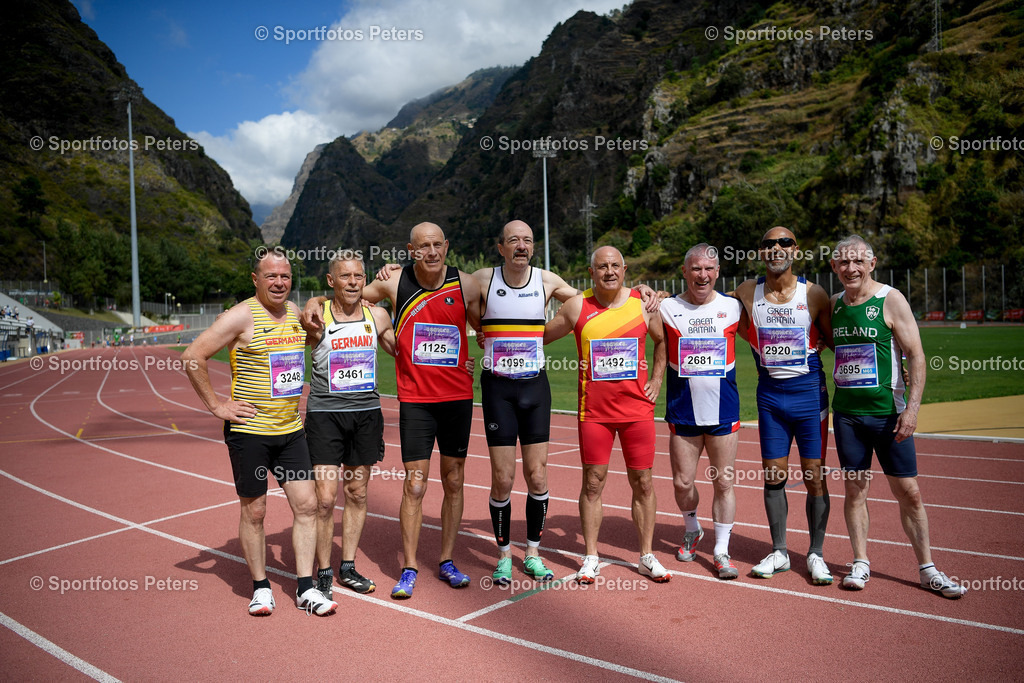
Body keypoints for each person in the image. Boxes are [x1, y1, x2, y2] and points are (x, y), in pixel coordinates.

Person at [303, 222, 482, 599]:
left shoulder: (467, 283)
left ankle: (447, 560)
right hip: (416, 401)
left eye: (437, 245)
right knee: (415, 484)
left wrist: (478, 357)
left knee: (453, 481)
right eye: (423, 246)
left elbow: (496, 322)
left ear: (446, 246)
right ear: (411, 250)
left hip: (457, 399)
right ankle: (409, 567)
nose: (431, 252)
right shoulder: (391, 283)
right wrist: (313, 302)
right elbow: (343, 295)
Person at [182, 250, 337, 616]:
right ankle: (261, 586)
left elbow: (308, 344)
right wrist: (217, 406)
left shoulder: (297, 314)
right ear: (256, 280)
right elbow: (192, 356)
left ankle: (305, 588)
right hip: (250, 433)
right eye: (271, 276)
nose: (279, 282)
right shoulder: (240, 315)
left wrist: (313, 323)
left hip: (290, 432)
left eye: (285, 276)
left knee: (308, 505)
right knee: (255, 511)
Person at [829, 236, 966, 598]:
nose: (851, 269)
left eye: (858, 261)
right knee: (855, 489)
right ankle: (860, 562)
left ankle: (927, 569)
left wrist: (913, 408)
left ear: (872, 263)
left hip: (888, 415)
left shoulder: (890, 299)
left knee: (910, 493)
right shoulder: (833, 305)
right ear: (834, 267)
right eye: (843, 263)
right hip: (846, 416)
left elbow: (916, 355)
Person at [544, 246, 670, 583]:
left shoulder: (642, 304)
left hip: (637, 412)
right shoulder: (576, 306)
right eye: (602, 267)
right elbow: (539, 335)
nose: (609, 272)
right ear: (591, 271)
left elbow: (662, 342)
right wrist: (498, 334)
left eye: (615, 266)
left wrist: (657, 379)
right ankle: (591, 556)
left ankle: (646, 556)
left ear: (625, 269)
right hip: (594, 413)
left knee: (643, 482)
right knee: (593, 483)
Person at [732, 227, 834, 584]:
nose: (776, 248)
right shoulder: (746, 291)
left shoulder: (815, 294)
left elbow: (840, 341)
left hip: (810, 398)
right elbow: (719, 318)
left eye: (784, 242)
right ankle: (779, 551)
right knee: (774, 477)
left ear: (796, 250)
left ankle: (816, 554)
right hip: (771, 398)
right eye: (769, 243)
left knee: (814, 477)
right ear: (761, 252)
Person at [303, 254, 396, 600]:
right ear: (331, 281)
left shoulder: (378, 315)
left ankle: (347, 566)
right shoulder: (316, 317)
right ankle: (323, 571)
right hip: (325, 416)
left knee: (356, 493)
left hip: (366, 414)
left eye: (359, 276)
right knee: (325, 500)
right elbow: (280, 339)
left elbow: (404, 351)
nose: (354, 282)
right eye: (345, 276)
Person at [660, 244, 743, 579]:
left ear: (718, 272)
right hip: (683, 411)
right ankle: (693, 529)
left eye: (709, 269)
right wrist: (643, 290)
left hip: (724, 409)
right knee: (682, 483)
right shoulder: (666, 307)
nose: (702, 275)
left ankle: (721, 550)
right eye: (696, 269)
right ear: (685, 272)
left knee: (724, 481)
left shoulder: (734, 306)